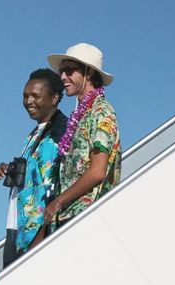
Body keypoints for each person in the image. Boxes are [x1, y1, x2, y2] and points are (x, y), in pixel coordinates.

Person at [43, 43, 120, 232]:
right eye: (61, 71)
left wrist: (60, 200)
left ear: (89, 73)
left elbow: (98, 171)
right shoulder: (81, 114)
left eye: (69, 71)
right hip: (72, 217)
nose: (63, 77)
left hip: (90, 216)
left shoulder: (101, 112)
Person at [0, 68, 67, 256]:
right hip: (19, 229)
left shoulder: (58, 135)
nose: (28, 102)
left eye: (36, 96)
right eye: (25, 96)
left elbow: (53, 187)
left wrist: (41, 237)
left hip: (36, 235)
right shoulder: (35, 134)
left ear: (54, 98)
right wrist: (9, 169)